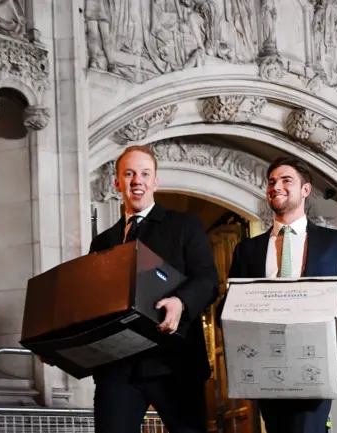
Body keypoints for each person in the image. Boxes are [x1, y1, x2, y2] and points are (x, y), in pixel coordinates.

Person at [217, 156, 337, 433]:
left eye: (285, 180)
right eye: (271, 182)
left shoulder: (335, 242)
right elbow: (227, 306)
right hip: (266, 368)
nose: (276, 186)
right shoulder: (247, 250)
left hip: (316, 364)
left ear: (305, 189)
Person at [89, 145, 219, 433]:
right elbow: (93, 304)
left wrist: (181, 302)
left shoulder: (184, 226)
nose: (138, 180)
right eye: (129, 174)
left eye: (145, 173)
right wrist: (60, 344)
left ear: (155, 181)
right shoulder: (102, 242)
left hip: (174, 364)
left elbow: (208, 280)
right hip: (117, 368)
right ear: (117, 182)